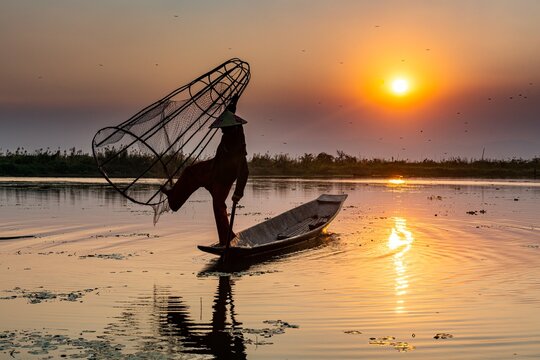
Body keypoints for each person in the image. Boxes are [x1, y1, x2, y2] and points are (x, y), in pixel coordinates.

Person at [163, 94, 248, 246]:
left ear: (231, 128)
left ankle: (226, 240)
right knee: (190, 171)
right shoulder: (232, 125)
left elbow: (244, 171)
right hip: (214, 167)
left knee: (218, 206)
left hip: (224, 178)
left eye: (224, 129)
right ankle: (174, 197)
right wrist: (234, 100)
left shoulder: (238, 145)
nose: (222, 131)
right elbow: (230, 111)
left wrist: (238, 193)